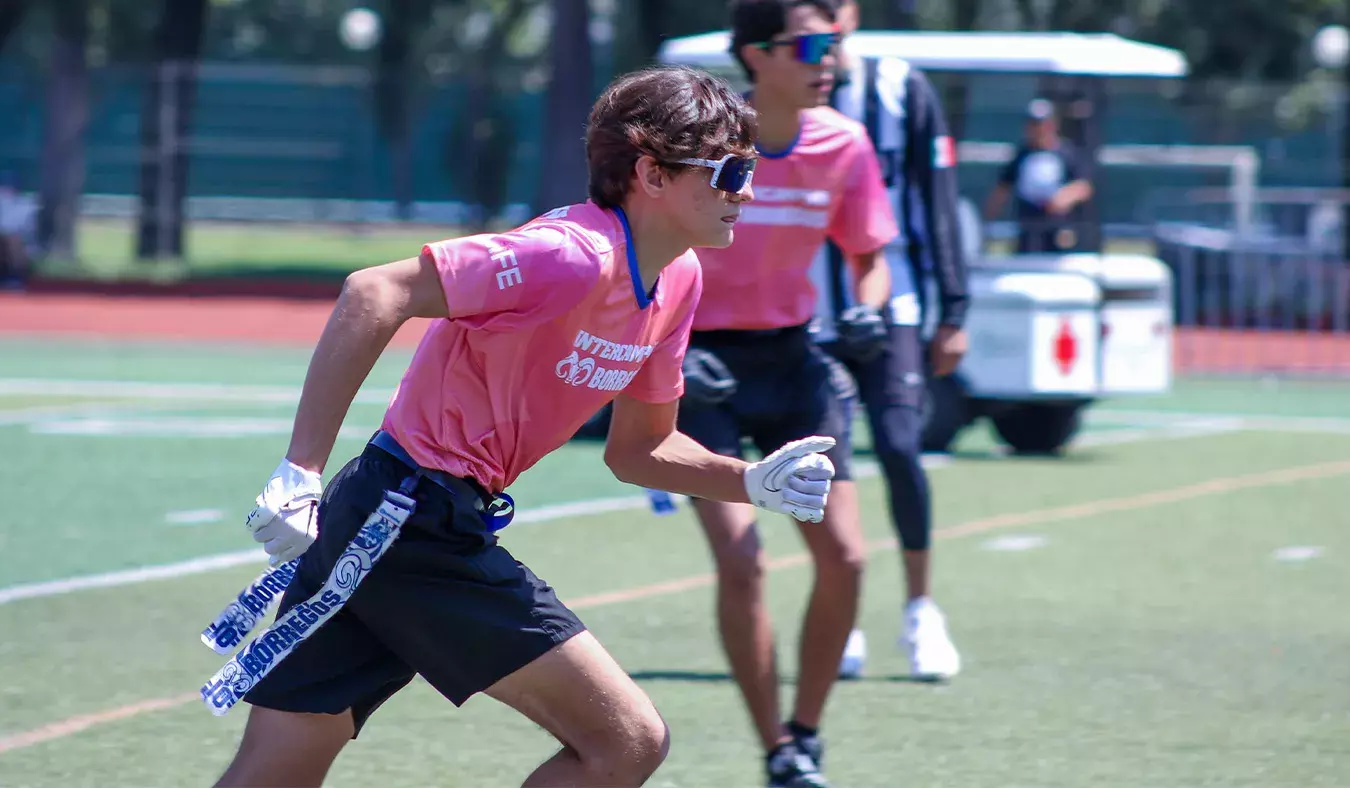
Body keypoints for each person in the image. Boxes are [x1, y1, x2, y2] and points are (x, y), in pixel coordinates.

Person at [212, 65, 843, 788]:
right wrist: (300, 470)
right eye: (730, 171)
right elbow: (374, 290)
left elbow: (641, 451)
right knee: (626, 742)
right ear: (652, 174)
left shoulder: (679, 277)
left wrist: (752, 482)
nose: (748, 192)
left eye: (751, 169)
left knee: (275, 771)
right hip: (406, 523)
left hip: (400, 522)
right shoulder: (571, 256)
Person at [676, 2, 895, 785]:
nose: (827, 56)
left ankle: (807, 732)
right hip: (699, 370)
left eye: (832, 42)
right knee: (744, 567)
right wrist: (661, 363)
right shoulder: (700, 145)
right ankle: (776, 751)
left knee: (846, 558)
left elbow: (868, 252)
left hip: (795, 365)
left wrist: (870, 306)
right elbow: (641, 252)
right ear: (755, 54)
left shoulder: (846, 144)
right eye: (809, 43)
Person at [811, 0, 968, 683]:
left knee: (902, 447)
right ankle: (839, 613)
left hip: (892, 304)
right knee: (825, 467)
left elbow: (935, 201)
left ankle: (920, 609)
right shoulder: (771, 97)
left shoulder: (901, 87)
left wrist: (954, 309)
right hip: (808, 311)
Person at [983, 98, 1094, 253]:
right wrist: (987, 221)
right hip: (1027, 227)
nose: (1038, 129)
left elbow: (1083, 186)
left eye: (1042, 124)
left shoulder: (1066, 153)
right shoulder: (1021, 155)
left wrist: (1063, 198)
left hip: (1058, 230)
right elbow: (1002, 189)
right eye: (1033, 124)